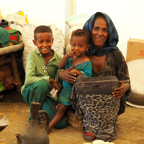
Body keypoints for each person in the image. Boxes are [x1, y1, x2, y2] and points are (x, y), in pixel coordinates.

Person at [59, 12, 130, 142]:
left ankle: (107, 127)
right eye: (96, 28)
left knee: (113, 82)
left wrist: (124, 87)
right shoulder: (80, 50)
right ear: (90, 29)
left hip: (108, 105)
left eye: (104, 30)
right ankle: (90, 125)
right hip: (85, 105)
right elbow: (63, 69)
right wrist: (61, 74)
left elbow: (125, 80)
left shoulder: (115, 54)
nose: (100, 33)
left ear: (110, 33)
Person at [21, 25, 67, 130]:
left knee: (60, 124)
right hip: (31, 91)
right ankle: (33, 119)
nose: (45, 45)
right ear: (34, 42)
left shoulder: (58, 58)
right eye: (41, 42)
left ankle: (41, 109)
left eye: (48, 41)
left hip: (48, 94)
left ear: (52, 40)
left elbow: (59, 79)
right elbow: (29, 79)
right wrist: (49, 80)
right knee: (41, 85)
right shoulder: (32, 55)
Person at [48, 29, 92, 134]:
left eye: (80, 46)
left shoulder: (87, 62)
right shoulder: (70, 58)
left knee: (61, 110)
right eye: (73, 44)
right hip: (64, 90)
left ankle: (49, 126)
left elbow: (88, 79)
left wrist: (78, 72)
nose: (76, 48)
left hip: (72, 93)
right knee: (56, 104)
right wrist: (66, 56)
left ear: (87, 47)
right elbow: (60, 66)